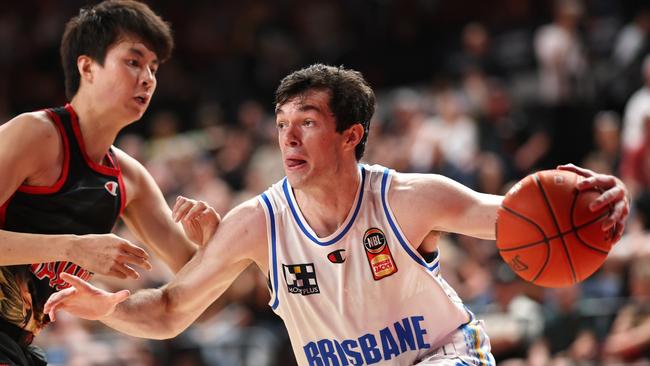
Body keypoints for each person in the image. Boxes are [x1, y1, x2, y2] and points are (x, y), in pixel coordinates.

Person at [45, 64, 629, 366]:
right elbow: (173, 308)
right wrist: (110, 309)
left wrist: (597, 206)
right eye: (281, 125)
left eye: (306, 122)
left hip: (443, 355)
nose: (288, 138)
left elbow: (512, 218)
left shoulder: (408, 196)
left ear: (351, 135)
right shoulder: (257, 222)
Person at [0, 1, 218, 365]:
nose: (147, 78)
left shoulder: (130, 178)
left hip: (18, 343)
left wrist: (213, 246)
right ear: (87, 67)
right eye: (133, 62)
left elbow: (194, 275)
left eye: (153, 67)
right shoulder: (34, 134)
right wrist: (71, 248)